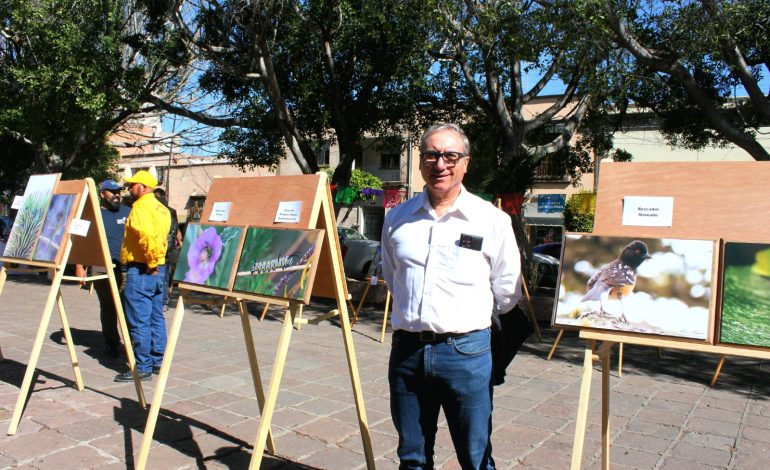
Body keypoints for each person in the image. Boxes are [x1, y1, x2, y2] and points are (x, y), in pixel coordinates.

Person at [381, 123, 521, 469]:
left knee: (474, 458)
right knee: (412, 458)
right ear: (420, 161)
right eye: (431, 154)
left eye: (450, 155)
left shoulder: (492, 220)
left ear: (465, 163)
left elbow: (507, 292)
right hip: (407, 352)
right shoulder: (397, 218)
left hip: (467, 353)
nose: (439, 163)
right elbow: (392, 277)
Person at [114, 170, 171, 382]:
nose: (129, 189)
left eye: (133, 185)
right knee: (156, 316)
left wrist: (151, 262)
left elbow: (147, 236)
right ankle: (158, 361)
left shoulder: (141, 207)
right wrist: (156, 263)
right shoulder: (161, 208)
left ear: (144, 188)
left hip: (143, 268)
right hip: (158, 270)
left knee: (139, 320)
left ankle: (143, 366)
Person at [75, 180, 131, 357]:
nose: (116, 194)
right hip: (101, 267)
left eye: (118, 191)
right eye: (112, 191)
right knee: (108, 306)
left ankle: (132, 343)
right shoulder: (93, 214)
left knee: (127, 305)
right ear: (101, 194)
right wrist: (79, 266)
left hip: (126, 267)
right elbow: (79, 241)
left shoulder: (128, 212)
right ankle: (112, 342)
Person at [152, 187, 182, 309]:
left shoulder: (158, 211)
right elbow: (177, 230)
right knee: (164, 276)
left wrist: (179, 241)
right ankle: (163, 300)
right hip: (168, 249)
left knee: (163, 275)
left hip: (164, 249)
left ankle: (163, 300)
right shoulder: (171, 211)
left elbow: (176, 229)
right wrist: (180, 241)